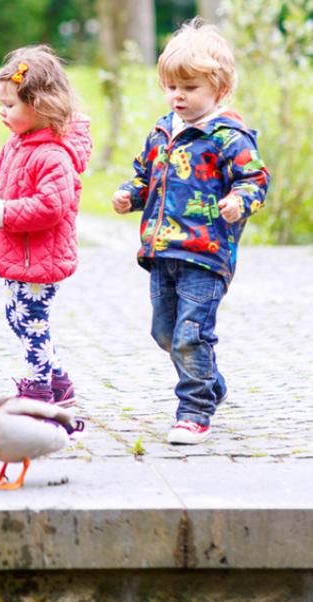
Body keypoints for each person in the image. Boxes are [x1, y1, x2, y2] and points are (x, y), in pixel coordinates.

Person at [112, 20, 269, 445]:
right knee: (164, 334)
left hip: (206, 254)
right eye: (171, 87)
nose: (178, 96)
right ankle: (211, 382)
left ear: (219, 89)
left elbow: (255, 181)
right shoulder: (162, 131)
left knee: (190, 335)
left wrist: (239, 201)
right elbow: (146, 178)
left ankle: (195, 411)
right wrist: (131, 194)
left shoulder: (228, 138)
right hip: (162, 253)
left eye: (189, 88)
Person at [0, 45, 91, 406]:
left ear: (39, 105)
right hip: (19, 257)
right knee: (17, 317)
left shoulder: (53, 154)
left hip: (41, 259)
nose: (1, 113)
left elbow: (51, 206)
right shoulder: (18, 143)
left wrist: (2, 212)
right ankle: (59, 380)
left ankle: (37, 387)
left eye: (9, 106)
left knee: (33, 320)